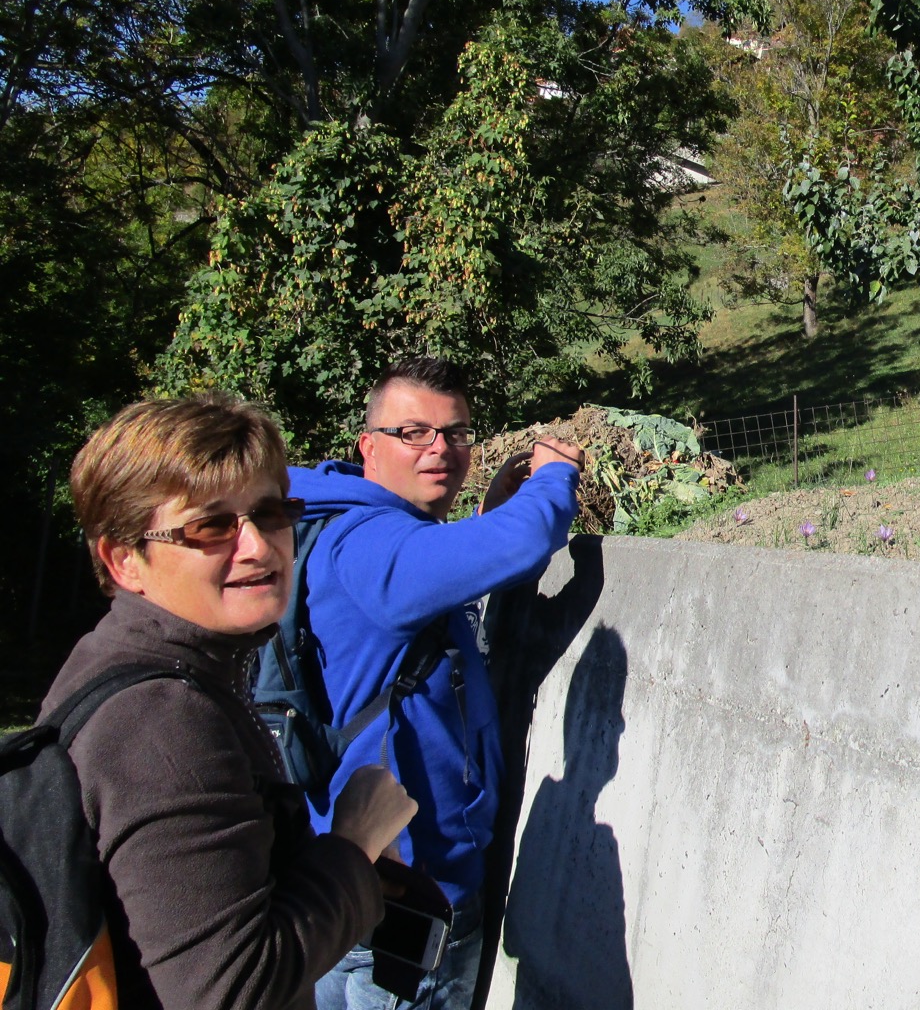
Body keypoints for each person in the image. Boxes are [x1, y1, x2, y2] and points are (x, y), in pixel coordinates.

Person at [42, 394, 419, 1010]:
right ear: (123, 560)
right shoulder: (162, 721)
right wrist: (354, 844)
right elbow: (231, 989)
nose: (256, 546)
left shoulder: (128, 664)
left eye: (270, 514)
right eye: (210, 526)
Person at [292, 356, 585, 1010]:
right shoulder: (375, 550)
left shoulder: (338, 526)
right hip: (409, 899)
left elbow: (425, 598)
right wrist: (555, 474)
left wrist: (485, 518)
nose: (440, 449)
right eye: (413, 433)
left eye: (455, 434)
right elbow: (522, 542)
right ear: (368, 445)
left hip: (338, 878)